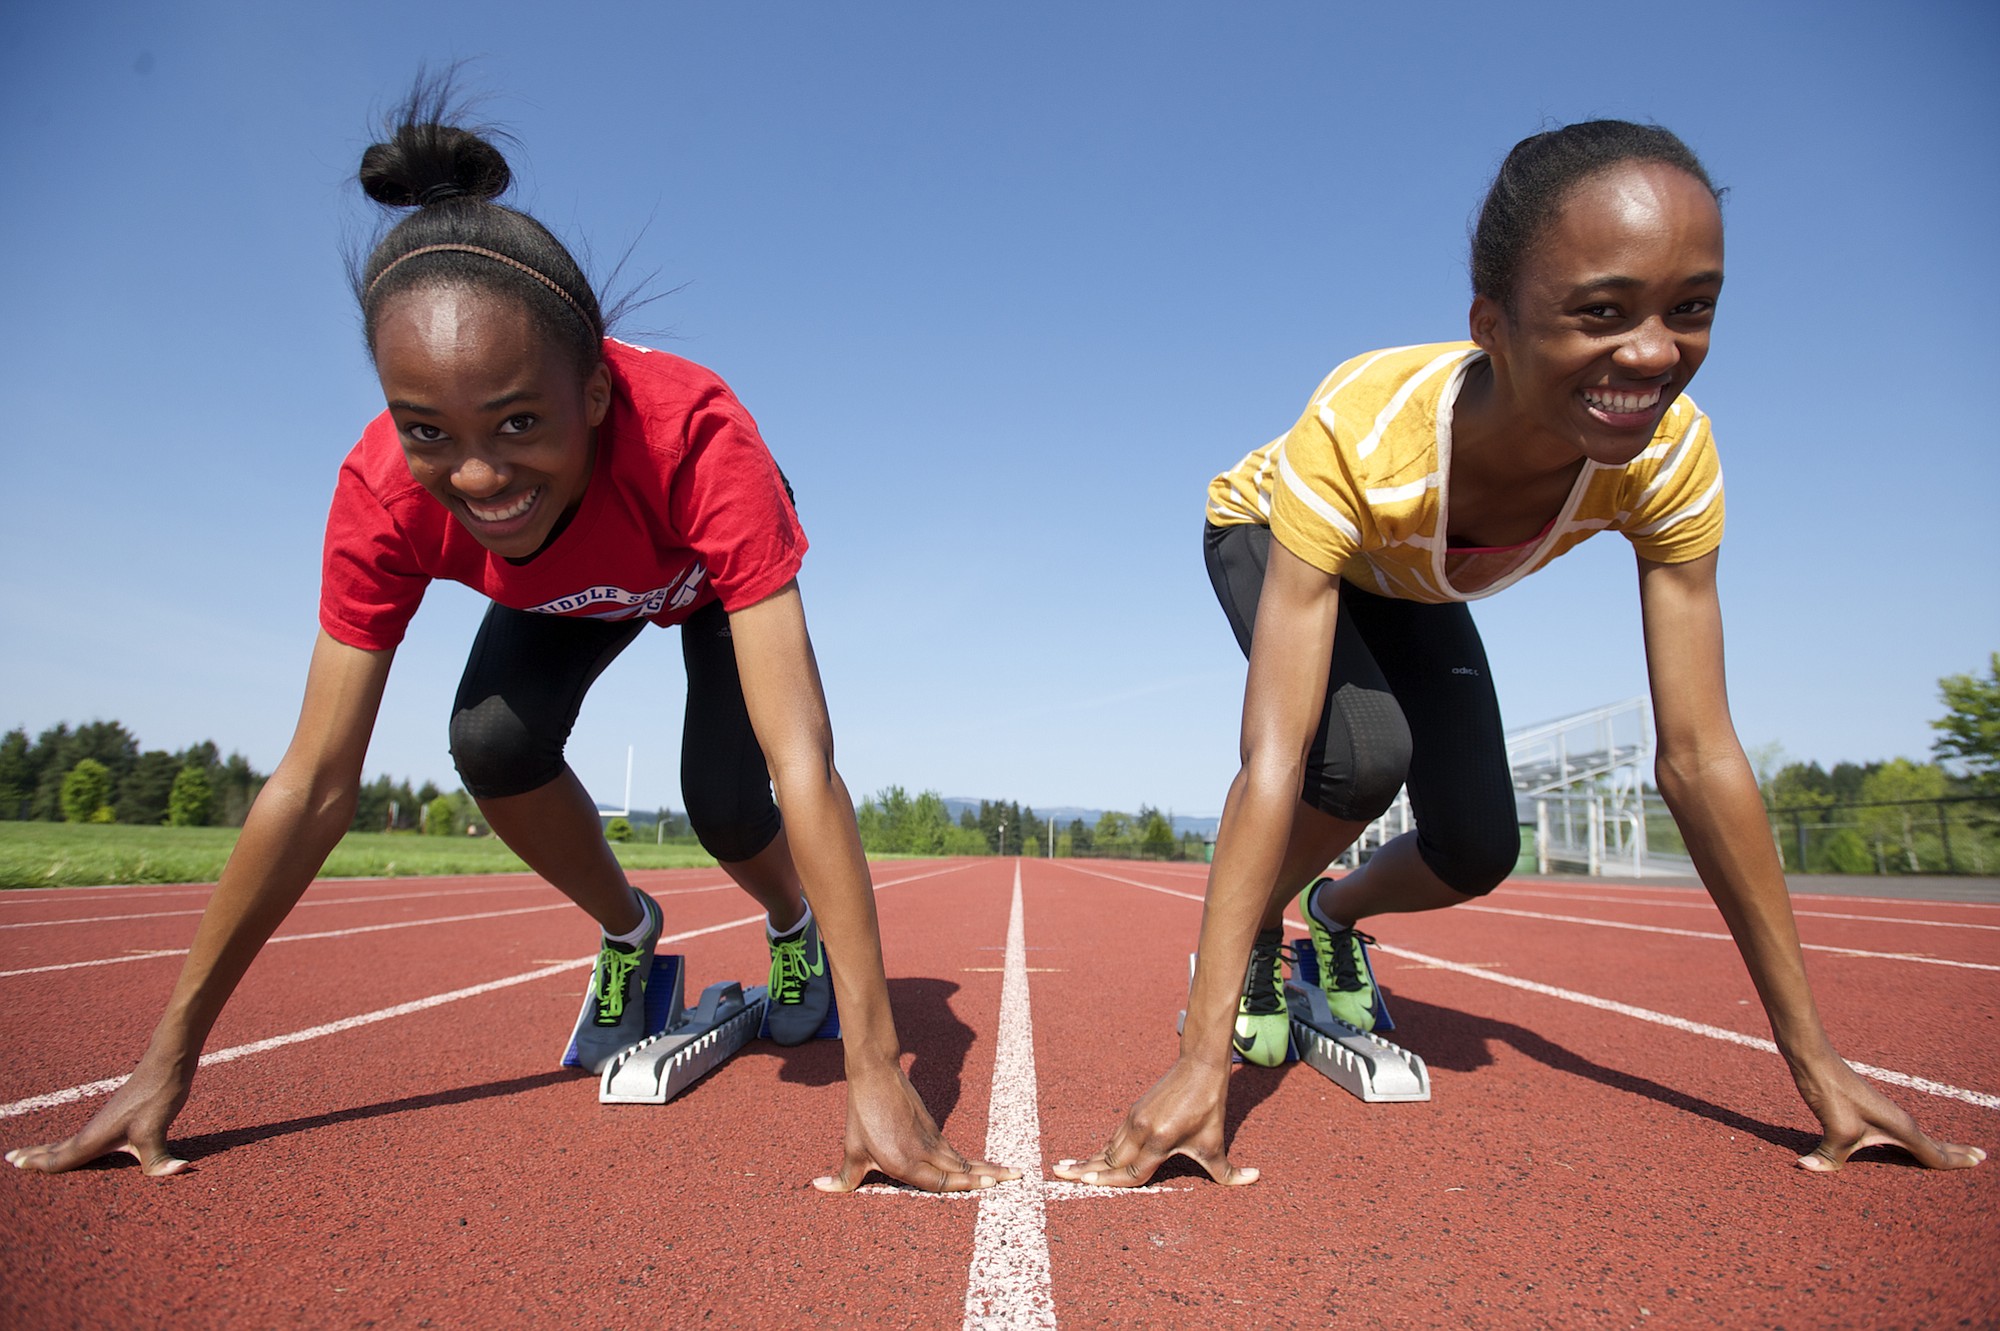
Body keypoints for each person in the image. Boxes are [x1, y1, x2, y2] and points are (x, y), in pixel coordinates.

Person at [7, 81, 1013, 1195]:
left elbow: (803, 760)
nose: (478, 476)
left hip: (697, 583)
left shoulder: (696, 437)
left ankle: (788, 927)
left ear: (592, 392)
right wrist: (168, 1057)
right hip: (566, 596)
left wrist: (876, 1067)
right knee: (488, 741)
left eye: (518, 423)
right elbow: (314, 781)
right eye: (428, 429)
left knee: (730, 800)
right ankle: (631, 930)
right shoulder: (384, 496)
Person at [1054, 120, 1985, 1188]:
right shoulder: (1362, 433)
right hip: (1278, 532)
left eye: (1690, 308)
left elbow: (1695, 749)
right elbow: (1271, 758)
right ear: (1490, 325)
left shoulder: (1668, 458)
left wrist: (1816, 1065)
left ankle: (1328, 911)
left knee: (1477, 846)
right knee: (1358, 756)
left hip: (1410, 574)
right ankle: (1258, 929)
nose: (1650, 353)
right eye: (1600, 311)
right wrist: (1194, 1064)